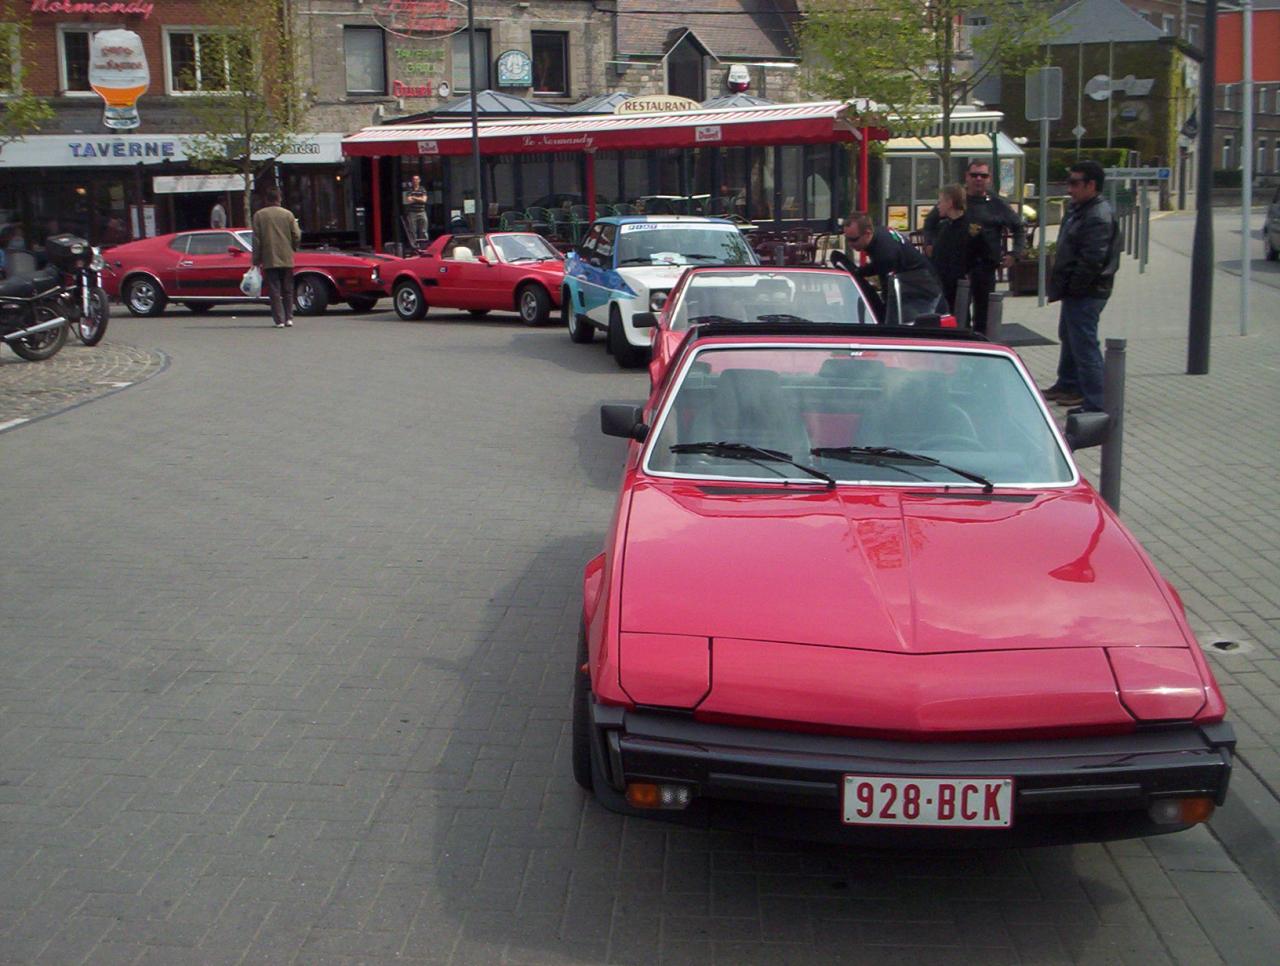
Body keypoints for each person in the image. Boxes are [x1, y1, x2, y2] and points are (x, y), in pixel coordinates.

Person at [1044, 160, 1121, 414]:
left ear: (1091, 185)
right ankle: (1068, 385)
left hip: (1087, 291)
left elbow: (1092, 260)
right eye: (1069, 182)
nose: (1070, 188)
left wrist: (1075, 287)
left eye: (1075, 183)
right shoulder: (1080, 209)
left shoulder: (1097, 215)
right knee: (1069, 336)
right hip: (1076, 289)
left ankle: (1097, 401)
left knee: (1084, 343)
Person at [924, 160, 1025, 333]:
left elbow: (1018, 228)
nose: (978, 179)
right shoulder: (957, 199)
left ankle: (981, 340)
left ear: (989, 178)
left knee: (983, 314)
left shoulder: (997, 204)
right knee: (958, 312)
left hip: (985, 267)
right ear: (967, 176)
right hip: (958, 268)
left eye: (983, 176)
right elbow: (930, 222)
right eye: (974, 175)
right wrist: (930, 243)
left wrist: (1014, 253)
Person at [842, 211, 944, 324]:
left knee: (901, 325)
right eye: (847, 239)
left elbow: (888, 285)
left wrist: (859, 272)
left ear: (867, 233)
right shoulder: (879, 234)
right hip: (917, 281)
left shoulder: (885, 252)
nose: (850, 244)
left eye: (854, 239)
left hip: (920, 288)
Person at [927, 184, 984, 315]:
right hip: (942, 286)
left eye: (940, 202)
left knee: (960, 319)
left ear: (950, 203)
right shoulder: (943, 227)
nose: (938, 206)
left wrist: (970, 276)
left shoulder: (972, 228)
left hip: (960, 287)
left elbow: (983, 256)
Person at [251, 183, 301, 328]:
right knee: (288, 289)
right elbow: (296, 234)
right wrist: (293, 247)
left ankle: (279, 320)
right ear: (279, 198)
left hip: (269, 257)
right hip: (286, 256)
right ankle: (289, 317)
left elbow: (256, 240)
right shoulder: (288, 214)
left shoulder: (259, 216)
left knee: (274, 290)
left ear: (266, 199)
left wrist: (256, 259)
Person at [404, 175, 429, 244]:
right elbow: (409, 200)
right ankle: (415, 246)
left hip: (422, 212)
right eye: (414, 179)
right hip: (412, 213)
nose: (415, 181)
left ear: (419, 180)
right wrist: (419, 198)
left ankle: (424, 245)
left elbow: (424, 200)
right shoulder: (410, 190)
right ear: (412, 181)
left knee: (424, 231)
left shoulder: (422, 189)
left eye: (417, 179)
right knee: (413, 231)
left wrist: (414, 197)